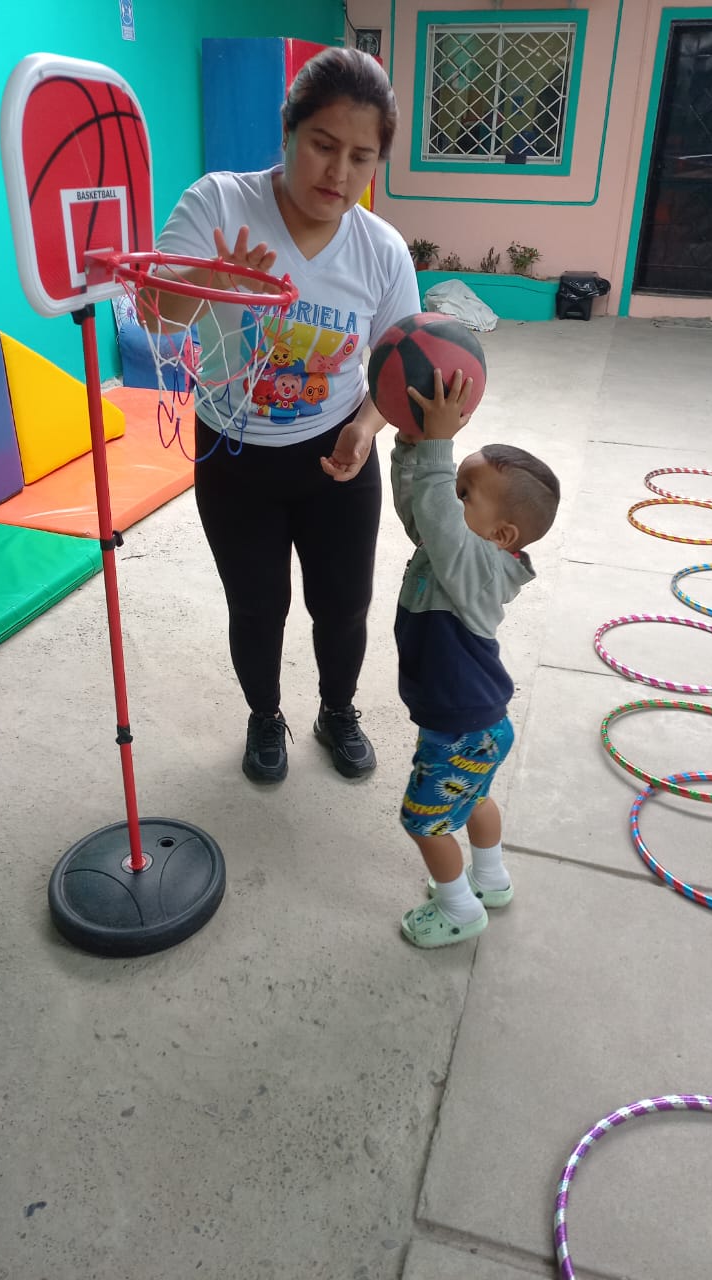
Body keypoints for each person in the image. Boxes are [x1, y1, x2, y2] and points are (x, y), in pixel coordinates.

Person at [152, 47, 420, 784]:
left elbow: (397, 367)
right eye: (323, 145)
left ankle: (337, 711)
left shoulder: (381, 251)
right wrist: (211, 278)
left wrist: (366, 425)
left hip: (335, 454)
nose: (339, 173)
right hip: (233, 454)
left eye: (361, 157)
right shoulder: (218, 204)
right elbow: (156, 314)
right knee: (256, 605)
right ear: (288, 131)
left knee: (344, 606)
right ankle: (264, 715)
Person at [391, 369, 559, 948]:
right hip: (479, 723)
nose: (450, 497)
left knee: (424, 821)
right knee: (475, 798)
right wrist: (413, 448)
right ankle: (492, 880)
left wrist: (440, 446)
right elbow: (424, 510)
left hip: (459, 728)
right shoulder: (457, 551)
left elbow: (438, 516)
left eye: (465, 494)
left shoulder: (479, 566)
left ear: (502, 534)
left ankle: (460, 909)